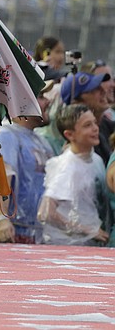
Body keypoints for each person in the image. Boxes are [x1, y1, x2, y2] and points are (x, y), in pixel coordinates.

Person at [0, 81, 55, 244]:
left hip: (36, 235)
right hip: (14, 233)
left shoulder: (41, 140)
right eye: (40, 97)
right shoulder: (6, 135)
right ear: (20, 102)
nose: (48, 101)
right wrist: (2, 219)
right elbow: (0, 182)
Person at [37, 104, 109, 246]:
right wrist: (87, 230)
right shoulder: (66, 166)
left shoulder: (95, 159)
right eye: (87, 125)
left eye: (95, 122)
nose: (95, 128)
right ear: (69, 135)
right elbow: (45, 212)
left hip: (89, 243)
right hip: (67, 247)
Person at [60, 71, 114, 163]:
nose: (103, 91)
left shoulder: (105, 124)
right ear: (76, 103)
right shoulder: (78, 148)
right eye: (94, 90)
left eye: (101, 87)